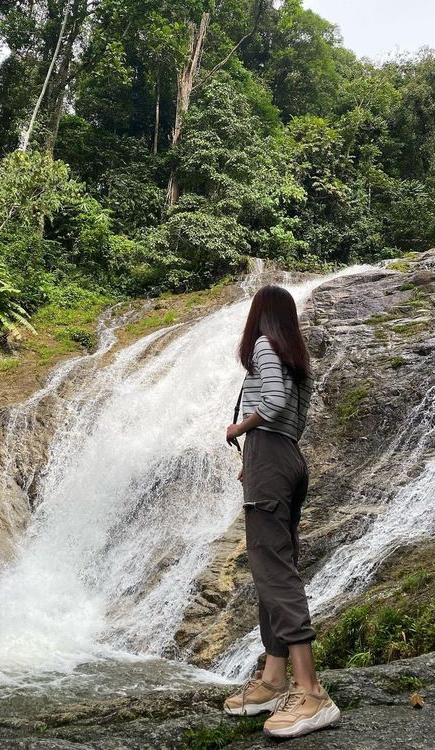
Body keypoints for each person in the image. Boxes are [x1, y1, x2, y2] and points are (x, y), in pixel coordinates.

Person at [223, 284, 340, 739]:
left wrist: (240, 427)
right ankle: (273, 680)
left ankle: (310, 690)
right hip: (287, 459)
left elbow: (268, 405)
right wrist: (257, 461)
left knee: (272, 569)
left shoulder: (263, 345)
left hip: (270, 458)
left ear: (259, 315)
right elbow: (293, 417)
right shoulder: (296, 358)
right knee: (277, 565)